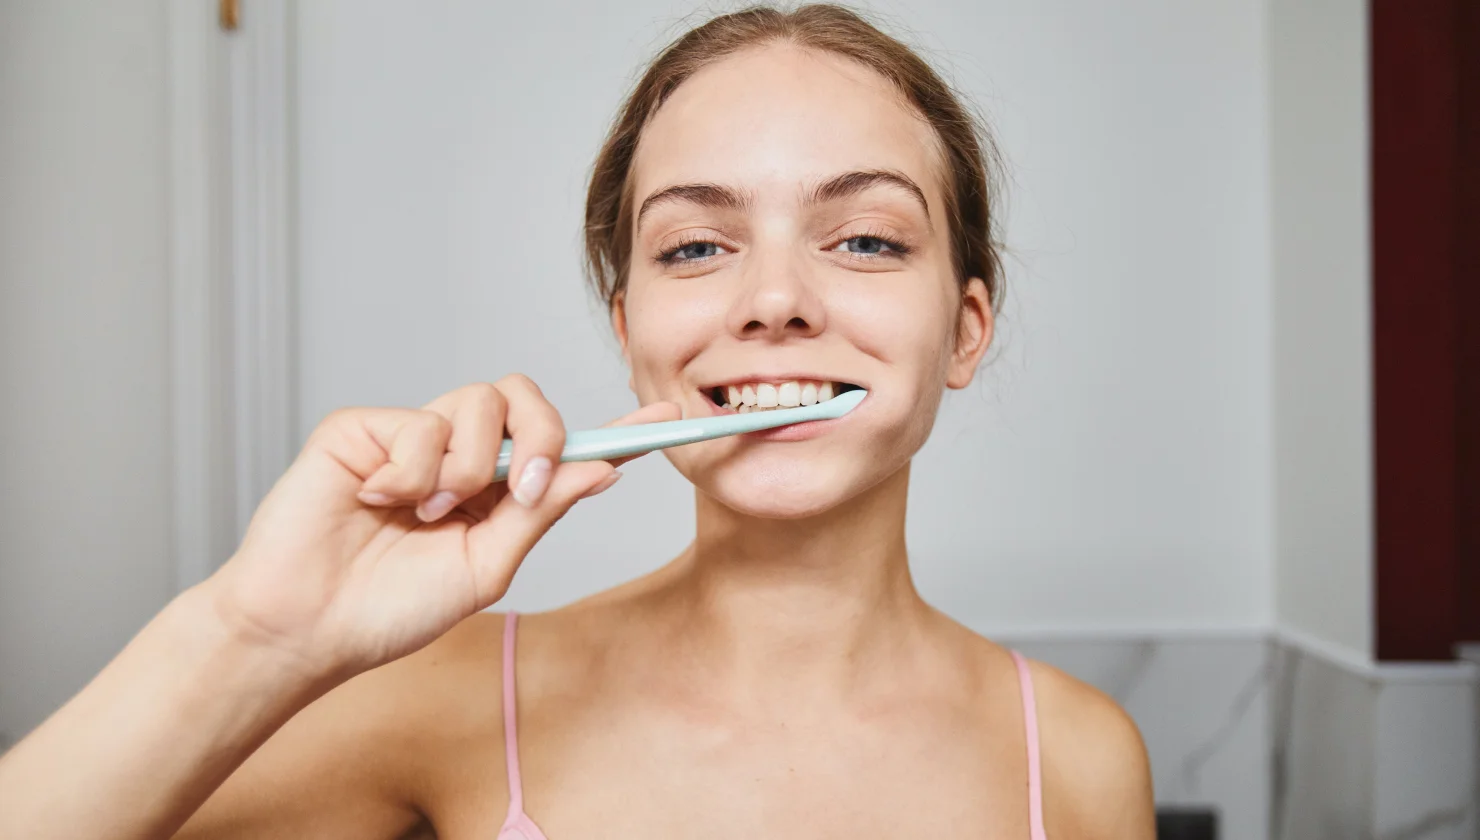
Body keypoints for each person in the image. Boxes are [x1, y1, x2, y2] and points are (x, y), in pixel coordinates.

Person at [0, 5, 1155, 838]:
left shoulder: (1077, 760)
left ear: (963, 330)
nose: (773, 300)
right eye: (694, 248)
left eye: (865, 239)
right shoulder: (447, 696)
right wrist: (256, 635)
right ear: (629, 326)